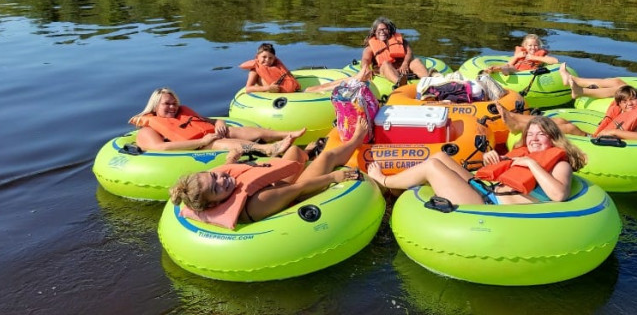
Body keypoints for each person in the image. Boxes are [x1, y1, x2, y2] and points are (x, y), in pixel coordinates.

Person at [169, 118, 369, 225]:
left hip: (279, 185)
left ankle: (308, 152)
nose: (222, 179)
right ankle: (356, 140)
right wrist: (334, 176)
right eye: (216, 188)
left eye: (214, 175)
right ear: (214, 203)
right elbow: (299, 189)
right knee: (327, 157)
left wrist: (234, 157)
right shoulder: (257, 204)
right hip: (295, 194)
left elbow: (228, 167)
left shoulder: (223, 184)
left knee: (293, 151)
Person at [367, 116, 586, 204]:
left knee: (432, 167)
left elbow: (558, 195)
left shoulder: (560, 164)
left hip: (488, 205)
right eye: (530, 134)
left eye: (540, 134)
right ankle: (395, 189)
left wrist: (532, 165)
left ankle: (384, 182)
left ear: (552, 137)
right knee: (440, 156)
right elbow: (508, 175)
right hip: (485, 188)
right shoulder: (526, 154)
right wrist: (493, 161)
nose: (534, 139)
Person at [130, 87, 306, 153]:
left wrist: (219, 123)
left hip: (207, 136)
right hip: (198, 145)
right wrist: (201, 141)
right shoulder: (148, 129)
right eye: (166, 104)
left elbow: (208, 120)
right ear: (154, 107)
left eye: (174, 103)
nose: (172, 107)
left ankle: (285, 134)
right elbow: (161, 147)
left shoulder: (181, 115)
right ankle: (267, 149)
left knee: (232, 130)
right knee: (214, 144)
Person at [498, 86, 637, 141]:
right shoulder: (623, 111)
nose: (629, 104)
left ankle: (519, 126)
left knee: (568, 129)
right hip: (599, 137)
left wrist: (613, 131)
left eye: (633, 100)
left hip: (608, 144)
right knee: (560, 120)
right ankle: (516, 118)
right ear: (620, 105)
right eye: (624, 102)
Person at [360, 17, 429, 85]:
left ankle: (429, 81)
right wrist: (366, 69)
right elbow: (365, 59)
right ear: (375, 32)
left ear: (389, 30)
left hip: (403, 69)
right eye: (379, 30)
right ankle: (400, 83)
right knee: (386, 63)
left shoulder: (401, 41)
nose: (382, 32)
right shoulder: (370, 48)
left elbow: (409, 53)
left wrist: (405, 64)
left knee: (416, 61)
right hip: (385, 71)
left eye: (385, 29)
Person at [486, 34, 559, 75]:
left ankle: (498, 69)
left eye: (535, 45)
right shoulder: (521, 53)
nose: (533, 48)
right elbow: (509, 63)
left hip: (524, 73)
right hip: (514, 68)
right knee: (509, 66)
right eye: (530, 45)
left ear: (539, 46)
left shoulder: (539, 54)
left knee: (511, 68)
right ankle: (497, 69)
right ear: (525, 46)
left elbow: (555, 61)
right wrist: (517, 56)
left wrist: (534, 57)